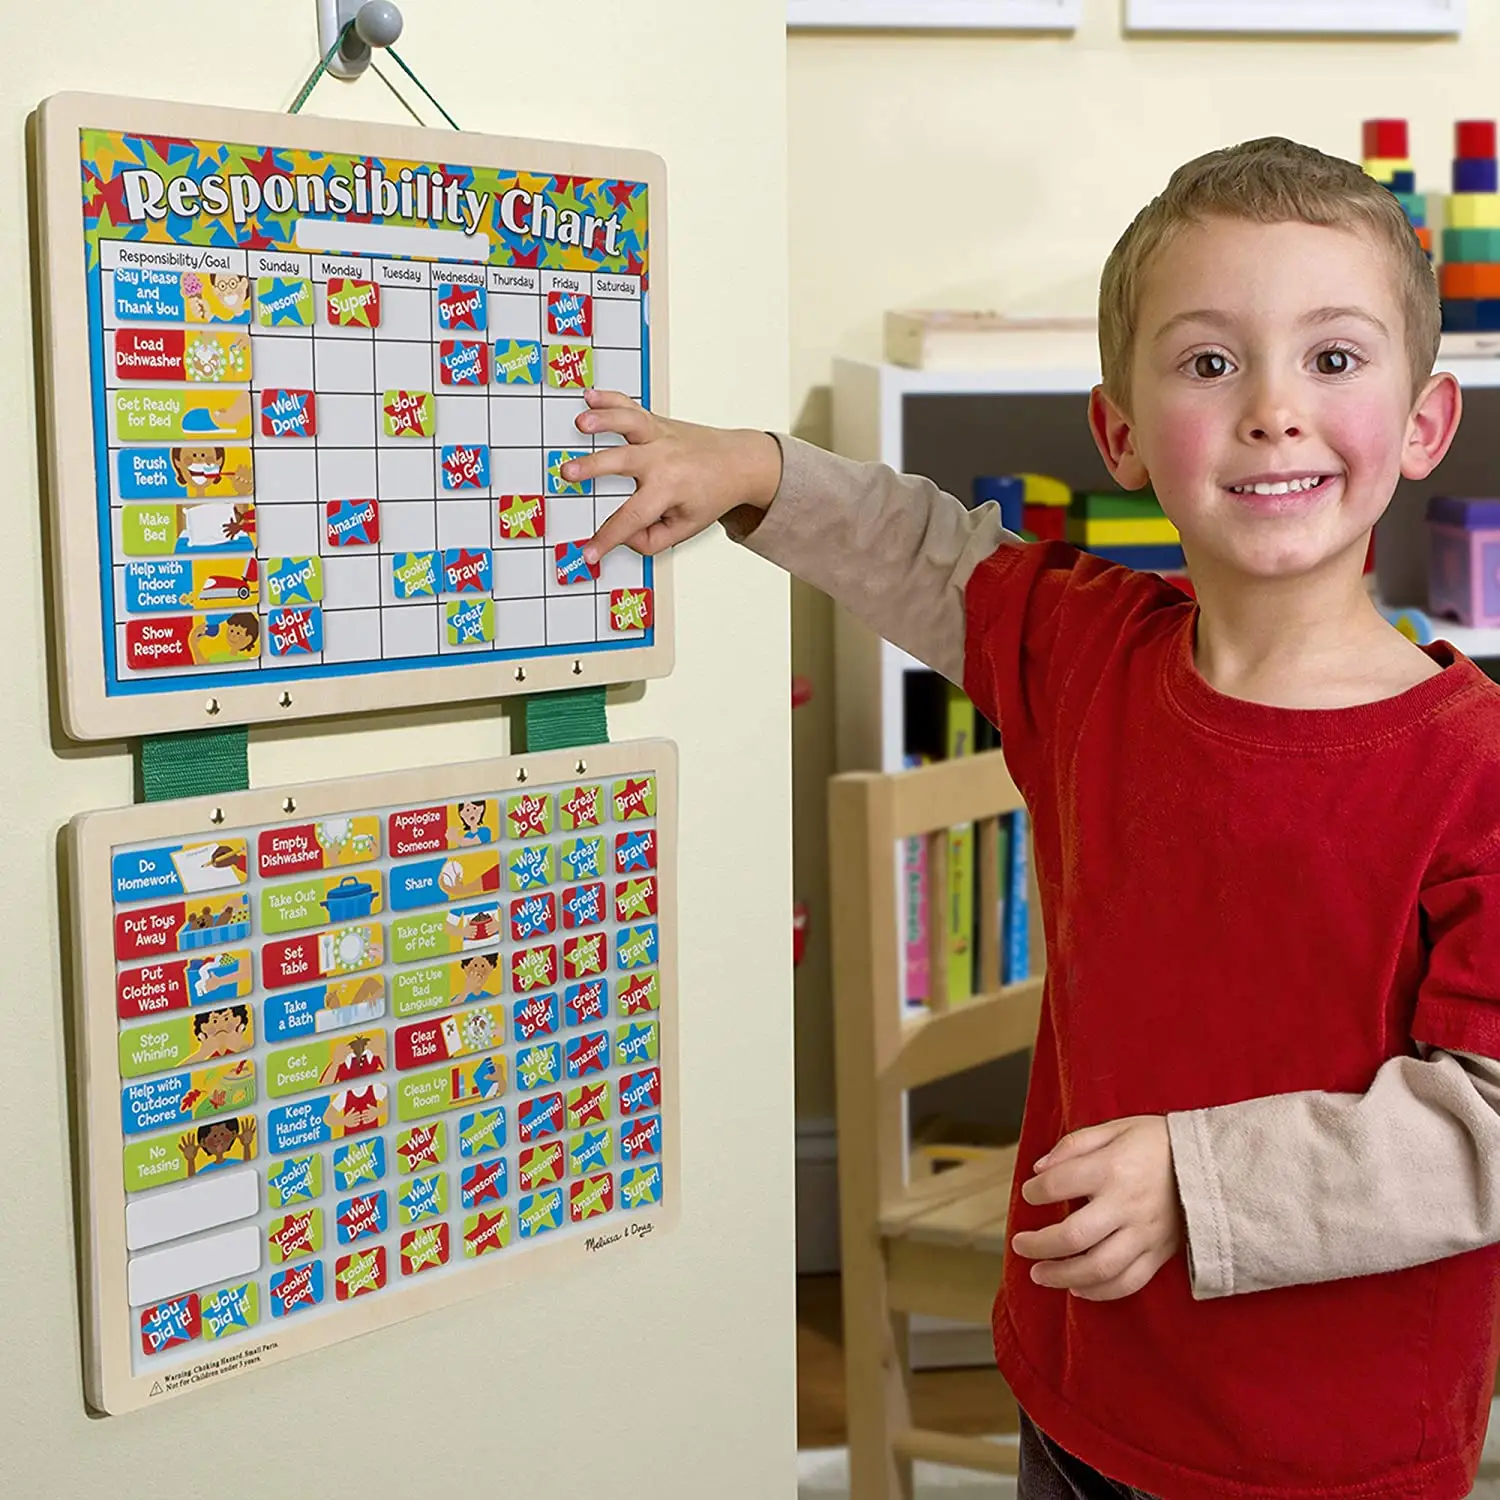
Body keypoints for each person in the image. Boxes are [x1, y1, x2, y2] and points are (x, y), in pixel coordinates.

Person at [566, 137, 1500, 1500]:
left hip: (1324, 1448)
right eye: (1208, 361)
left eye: (1335, 358)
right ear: (1119, 431)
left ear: (1424, 423)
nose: (1273, 411)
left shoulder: (1473, 771)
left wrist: (1203, 1181)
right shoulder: (1090, 654)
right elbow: (925, 545)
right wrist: (758, 465)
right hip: (1076, 1390)